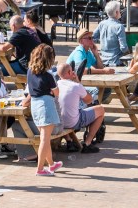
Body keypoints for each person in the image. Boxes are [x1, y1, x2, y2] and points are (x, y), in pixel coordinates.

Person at [26, 44, 62, 177]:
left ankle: (51, 164)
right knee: (45, 140)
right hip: (46, 104)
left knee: (44, 137)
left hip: (35, 105)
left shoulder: (30, 71)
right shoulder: (48, 75)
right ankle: (40, 169)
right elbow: (56, 92)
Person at [56, 62, 104, 152]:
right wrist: (77, 81)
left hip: (57, 123)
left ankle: (69, 140)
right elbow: (89, 100)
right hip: (73, 122)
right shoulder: (76, 86)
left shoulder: (54, 85)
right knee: (100, 110)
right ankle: (87, 143)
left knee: (63, 111)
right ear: (70, 72)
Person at [93, 0, 129, 66]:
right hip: (115, 61)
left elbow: (92, 37)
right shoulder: (119, 27)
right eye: (119, 10)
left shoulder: (102, 23)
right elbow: (123, 48)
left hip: (102, 59)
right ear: (116, 12)